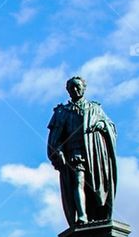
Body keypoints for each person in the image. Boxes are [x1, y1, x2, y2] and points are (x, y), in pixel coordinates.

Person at [47, 75, 117, 227]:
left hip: (94, 155)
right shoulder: (62, 112)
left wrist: (102, 126)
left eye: (78, 86)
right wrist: (58, 151)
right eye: (72, 87)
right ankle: (82, 216)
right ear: (68, 90)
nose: (75, 89)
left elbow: (111, 126)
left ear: (84, 88)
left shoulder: (95, 108)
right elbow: (54, 137)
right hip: (74, 153)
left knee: (94, 186)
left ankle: (98, 214)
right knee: (78, 181)